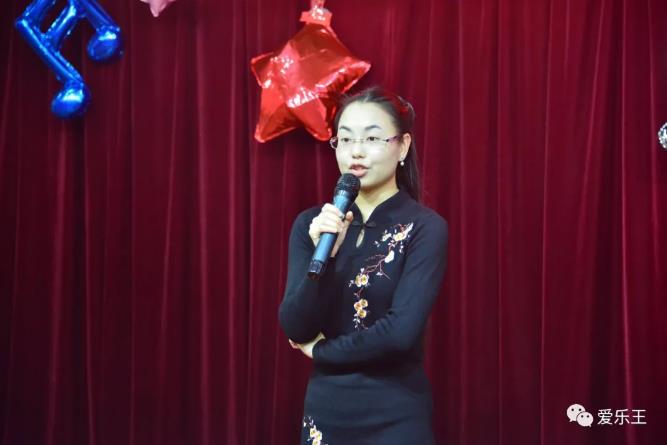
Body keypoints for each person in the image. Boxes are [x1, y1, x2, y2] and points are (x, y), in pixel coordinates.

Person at [278, 86, 448, 445]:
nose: (356, 151)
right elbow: (295, 324)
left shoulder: (424, 227)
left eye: (371, 138)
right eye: (345, 139)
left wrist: (320, 351)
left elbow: (399, 334)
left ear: (402, 146)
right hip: (325, 414)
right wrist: (324, 255)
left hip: (395, 415)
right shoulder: (314, 225)